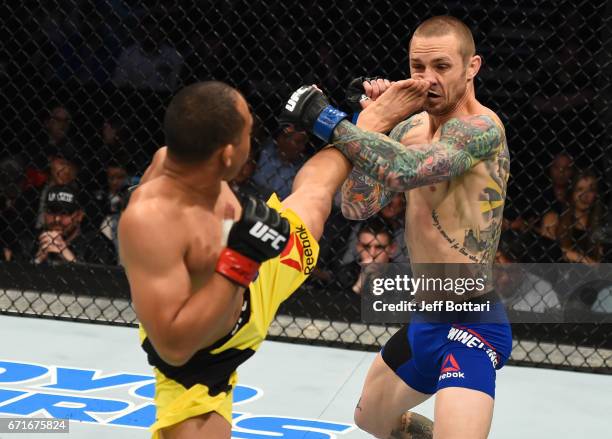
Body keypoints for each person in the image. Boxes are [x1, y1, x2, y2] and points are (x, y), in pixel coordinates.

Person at [281, 15, 512, 439]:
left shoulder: (482, 129)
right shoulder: (409, 127)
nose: (428, 80)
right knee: (370, 419)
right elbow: (355, 204)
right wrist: (380, 123)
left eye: (442, 67)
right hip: (425, 319)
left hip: (472, 323)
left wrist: (330, 120)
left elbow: (408, 171)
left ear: (472, 67)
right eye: (418, 69)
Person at [118, 81, 352, 439]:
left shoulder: (183, 161)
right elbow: (175, 348)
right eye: (250, 134)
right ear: (228, 154)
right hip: (205, 360)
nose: (255, 142)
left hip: (250, 278)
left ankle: (364, 124)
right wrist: (243, 258)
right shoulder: (151, 220)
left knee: (314, 199)